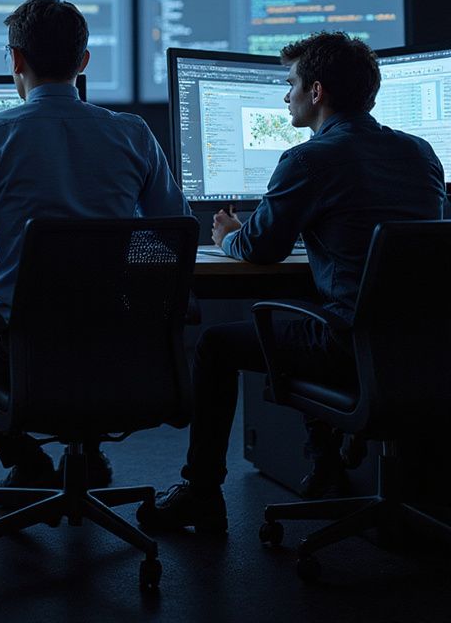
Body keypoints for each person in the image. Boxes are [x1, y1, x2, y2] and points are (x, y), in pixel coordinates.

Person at [141, 32, 448, 534]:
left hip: (348, 345)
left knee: (218, 344)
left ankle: (201, 493)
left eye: (291, 85)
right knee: (308, 298)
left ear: (317, 92)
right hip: (427, 350)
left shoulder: (309, 160)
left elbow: (261, 248)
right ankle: (325, 458)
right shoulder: (421, 153)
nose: (286, 97)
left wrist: (228, 236)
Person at [0, 0, 192, 489]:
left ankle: (29, 463)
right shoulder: (133, 133)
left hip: (21, 347)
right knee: (88, 314)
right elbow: (175, 233)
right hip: (122, 341)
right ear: (84, 62)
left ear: (16, 59)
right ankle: (85, 457)